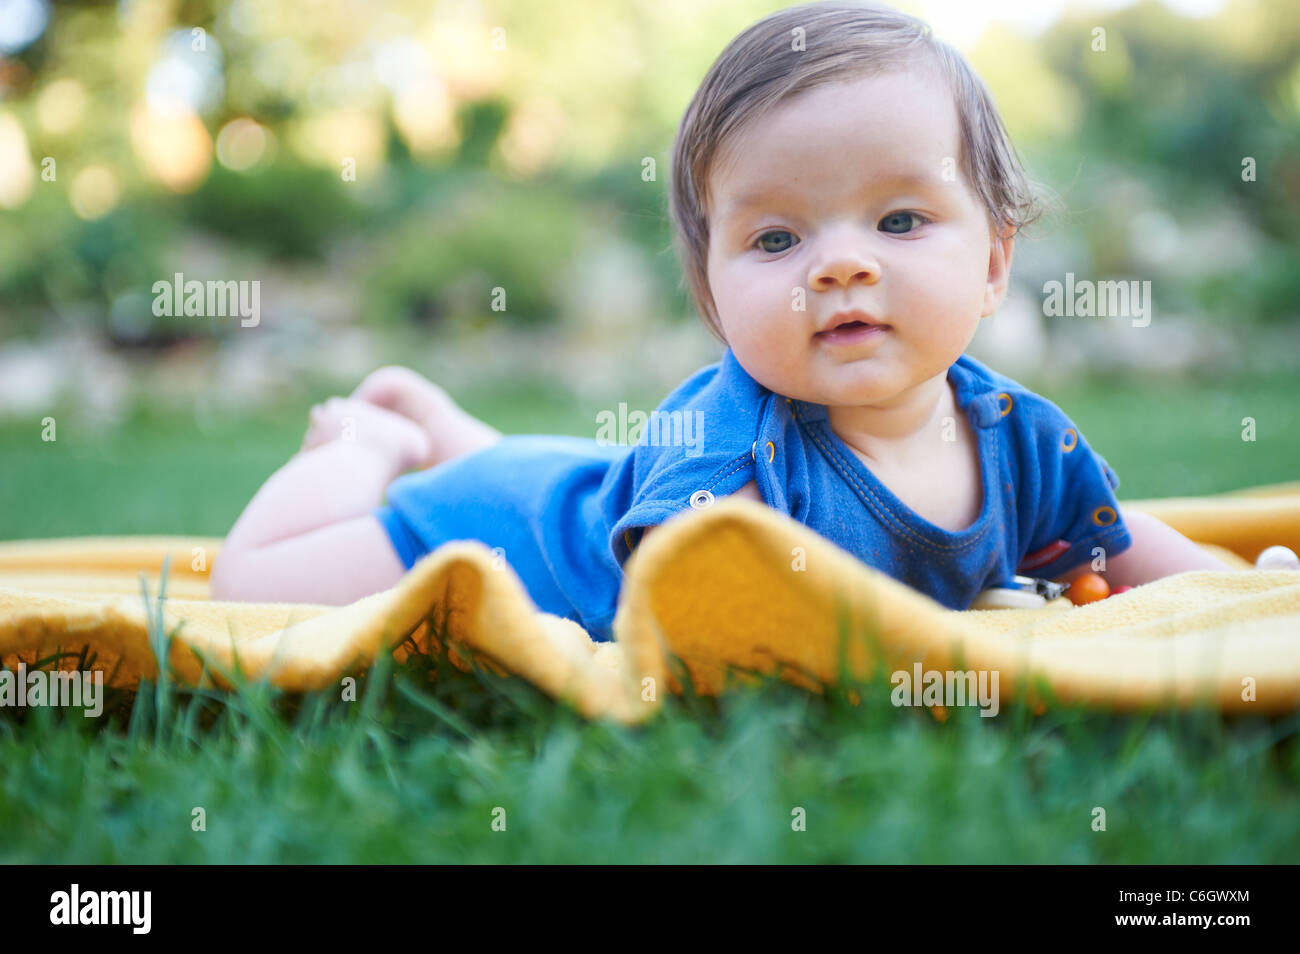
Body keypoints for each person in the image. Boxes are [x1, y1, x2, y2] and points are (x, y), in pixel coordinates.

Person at [210, 1, 1238, 639]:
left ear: (993, 262)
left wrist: (1247, 596)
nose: (840, 263)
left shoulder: (1022, 438)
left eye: (897, 219)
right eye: (777, 240)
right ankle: (375, 438)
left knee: (581, 472)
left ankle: (446, 427)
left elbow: (1109, 543)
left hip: (581, 481)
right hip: (490, 536)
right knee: (250, 590)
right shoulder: (730, 445)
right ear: (711, 290)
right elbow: (691, 611)